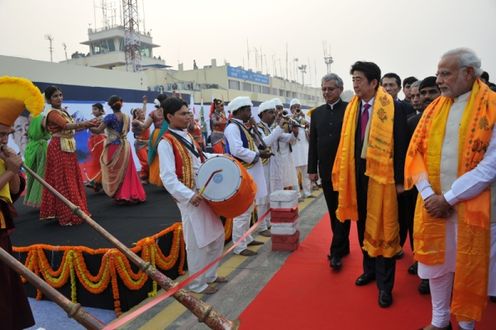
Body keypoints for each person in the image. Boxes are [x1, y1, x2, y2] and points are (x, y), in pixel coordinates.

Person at [405, 48, 496, 330]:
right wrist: (429, 195)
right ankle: (439, 320)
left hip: (473, 206)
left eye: (446, 73)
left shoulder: (492, 105)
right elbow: (415, 154)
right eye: (438, 73)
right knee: (437, 266)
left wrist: (450, 198)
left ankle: (466, 326)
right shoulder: (434, 108)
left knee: (470, 267)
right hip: (434, 204)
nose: (439, 80)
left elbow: (491, 166)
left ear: (468, 73)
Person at [332, 61, 408, 308]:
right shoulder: (352, 108)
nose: (355, 84)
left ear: (374, 83)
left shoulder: (392, 108)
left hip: (383, 181)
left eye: (359, 79)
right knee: (363, 225)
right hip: (357, 179)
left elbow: (400, 148)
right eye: (353, 79)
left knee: (384, 228)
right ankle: (370, 270)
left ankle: (385, 286)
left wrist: (398, 180)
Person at [158, 97, 226, 294]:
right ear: (169, 116)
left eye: (188, 112)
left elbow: (199, 160)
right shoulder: (166, 142)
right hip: (190, 199)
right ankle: (197, 284)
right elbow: (167, 177)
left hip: (203, 193)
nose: (188, 116)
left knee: (217, 235)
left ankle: (210, 275)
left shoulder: (186, 135)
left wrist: (221, 158)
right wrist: (188, 195)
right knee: (197, 242)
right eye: (183, 113)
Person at [0, 75, 45, 330]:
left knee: (7, 285)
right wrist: (9, 171)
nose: (4, 140)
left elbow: (14, 191)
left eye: (7, 134)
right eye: (0, 134)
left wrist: (13, 169)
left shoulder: (3, 152)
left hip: (2, 229)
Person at [308, 73, 351, 271]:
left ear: (340, 90)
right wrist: (311, 169)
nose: (326, 93)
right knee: (333, 210)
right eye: (324, 89)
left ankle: (335, 252)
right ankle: (343, 246)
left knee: (344, 210)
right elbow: (313, 144)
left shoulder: (351, 110)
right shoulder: (316, 114)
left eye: (330, 89)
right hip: (325, 170)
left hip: (346, 170)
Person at [40, 86, 96, 226]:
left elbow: (71, 128)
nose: (59, 98)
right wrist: (84, 123)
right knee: (64, 179)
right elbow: (65, 126)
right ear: (48, 99)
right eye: (55, 96)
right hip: (58, 146)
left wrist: (87, 125)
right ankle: (67, 214)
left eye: (60, 95)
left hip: (67, 146)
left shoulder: (62, 111)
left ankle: (73, 210)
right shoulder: (52, 113)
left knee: (71, 177)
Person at [224, 96, 272, 256]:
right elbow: (237, 150)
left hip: (250, 171)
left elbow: (253, 144)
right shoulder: (232, 128)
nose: (251, 113)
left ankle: (247, 238)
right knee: (242, 212)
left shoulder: (243, 126)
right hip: (243, 172)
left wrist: (256, 132)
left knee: (249, 208)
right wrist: (258, 154)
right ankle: (239, 246)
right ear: (241, 111)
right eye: (248, 110)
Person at [93, 95, 146, 204]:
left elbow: (98, 130)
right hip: (125, 146)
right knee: (127, 170)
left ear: (110, 106)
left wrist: (86, 125)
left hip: (114, 146)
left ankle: (121, 195)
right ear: (121, 104)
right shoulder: (126, 117)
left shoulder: (109, 117)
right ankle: (131, 193)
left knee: (115, 171)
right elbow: (127, 131)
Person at [255, 100, 285, 237]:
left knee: (269, 195)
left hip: (270, 165)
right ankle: (261, 226)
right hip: (261, 166)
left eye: (274, 112)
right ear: (262, 114)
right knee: (262, 197)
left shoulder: (267, 127)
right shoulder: (257, 128)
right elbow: (265, 142)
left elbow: (282, 138)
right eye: (271, 112)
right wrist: (279, 127)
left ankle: (267, 222)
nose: (274, 115)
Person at [133, 94, 168, 187]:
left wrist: (137, 122)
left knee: (158, 157)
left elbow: (145, 126)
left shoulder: (153, 113)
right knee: (164, 157)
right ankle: (164, 179)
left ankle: (161, 179)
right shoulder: (169, 112)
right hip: (166, 135)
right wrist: (136, 122)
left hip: (159, 136)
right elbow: (144, 126)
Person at [23, 109, 51, 208]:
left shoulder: (29, 116)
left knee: (33, 174)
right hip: (40, 148)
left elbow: (27, 133)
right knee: (42, 174)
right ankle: (42, 200)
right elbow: (49, 128)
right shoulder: (40, 117)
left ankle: (32, 199)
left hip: (31, 147)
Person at [271, 98, 298, 192]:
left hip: (286, 154)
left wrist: (294, 131)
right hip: (275, 156)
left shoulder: (286, 121)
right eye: (277, 108)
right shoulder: (269, 124)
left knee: (288, 179)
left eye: (281, 108)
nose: (280, 111)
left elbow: (291, 140)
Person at [289, 98, 312, 200]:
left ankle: (307, 192)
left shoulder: (304, 120)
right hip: (294, 151)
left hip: (305, 150)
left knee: (306, 174)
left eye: (298, 106)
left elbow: (310, 135)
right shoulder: (288, 119)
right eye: (294, 107)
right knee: (294, 175)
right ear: (291, 109)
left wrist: (305, 123)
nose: (296, 108)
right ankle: (297, 195)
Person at [84, 103, 106, 192]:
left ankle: (97, 182)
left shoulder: (102, 119)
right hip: (94, 141)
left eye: (95, 109)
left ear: (101, 110)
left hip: (100, 141)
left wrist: (85, 124)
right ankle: (97, 182)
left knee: (100, 162)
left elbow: (92, 126)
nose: (93, 111)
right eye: (93, 109)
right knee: (96, 162)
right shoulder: (93, 120)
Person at [131, 105, 150, 183]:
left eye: (142, 112)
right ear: (136, 115)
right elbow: (137, 123)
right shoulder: (135, 121)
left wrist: (144, 103)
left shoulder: (144, 120)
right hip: (140, 144)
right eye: (140, 113)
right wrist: (137, 116)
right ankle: (143, 176)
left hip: (147, 143)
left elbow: (144, 111)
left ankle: (145, 177)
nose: (142, 113)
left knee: (149, 161)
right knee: (145, 161)